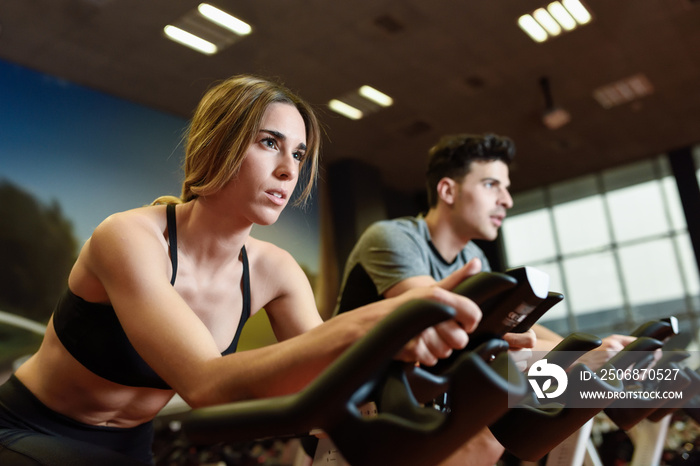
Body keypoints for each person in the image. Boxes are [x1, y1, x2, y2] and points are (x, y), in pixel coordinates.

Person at [0, 76, 483, 465]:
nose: (289, 170)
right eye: (270, 143)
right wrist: (383, 318)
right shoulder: (127, 238)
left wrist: (431, 352)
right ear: (217, 145)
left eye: (297, 153)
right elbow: (206, 384)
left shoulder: (276, 270)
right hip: (29, 430)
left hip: (131, 448)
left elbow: (329, 380)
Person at [334, 133, 634, 465]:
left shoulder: (472, 256)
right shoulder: (393, 238)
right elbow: (441, 324)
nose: (506, 199)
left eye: (505, 188)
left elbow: (510, 323)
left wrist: (589, 350)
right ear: (448, 190)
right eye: (492, 185)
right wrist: (572, 358)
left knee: (514, 410)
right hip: (354, 402)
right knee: (487, 426)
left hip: (421, 393)